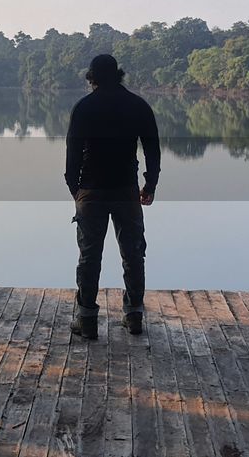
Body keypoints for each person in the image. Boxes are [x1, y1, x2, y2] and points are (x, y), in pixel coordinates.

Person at [65, 54, 160, 340]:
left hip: (91, 191)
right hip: (126, 191)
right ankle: (133, 316)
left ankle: (87, 320)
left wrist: (75, 190)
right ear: (118, 74)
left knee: (89, 256)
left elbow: (72, 156)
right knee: (133, 254)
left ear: (91, 77)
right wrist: (150, 184)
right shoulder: (138, 106)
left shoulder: (83, 107)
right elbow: (152, 150)